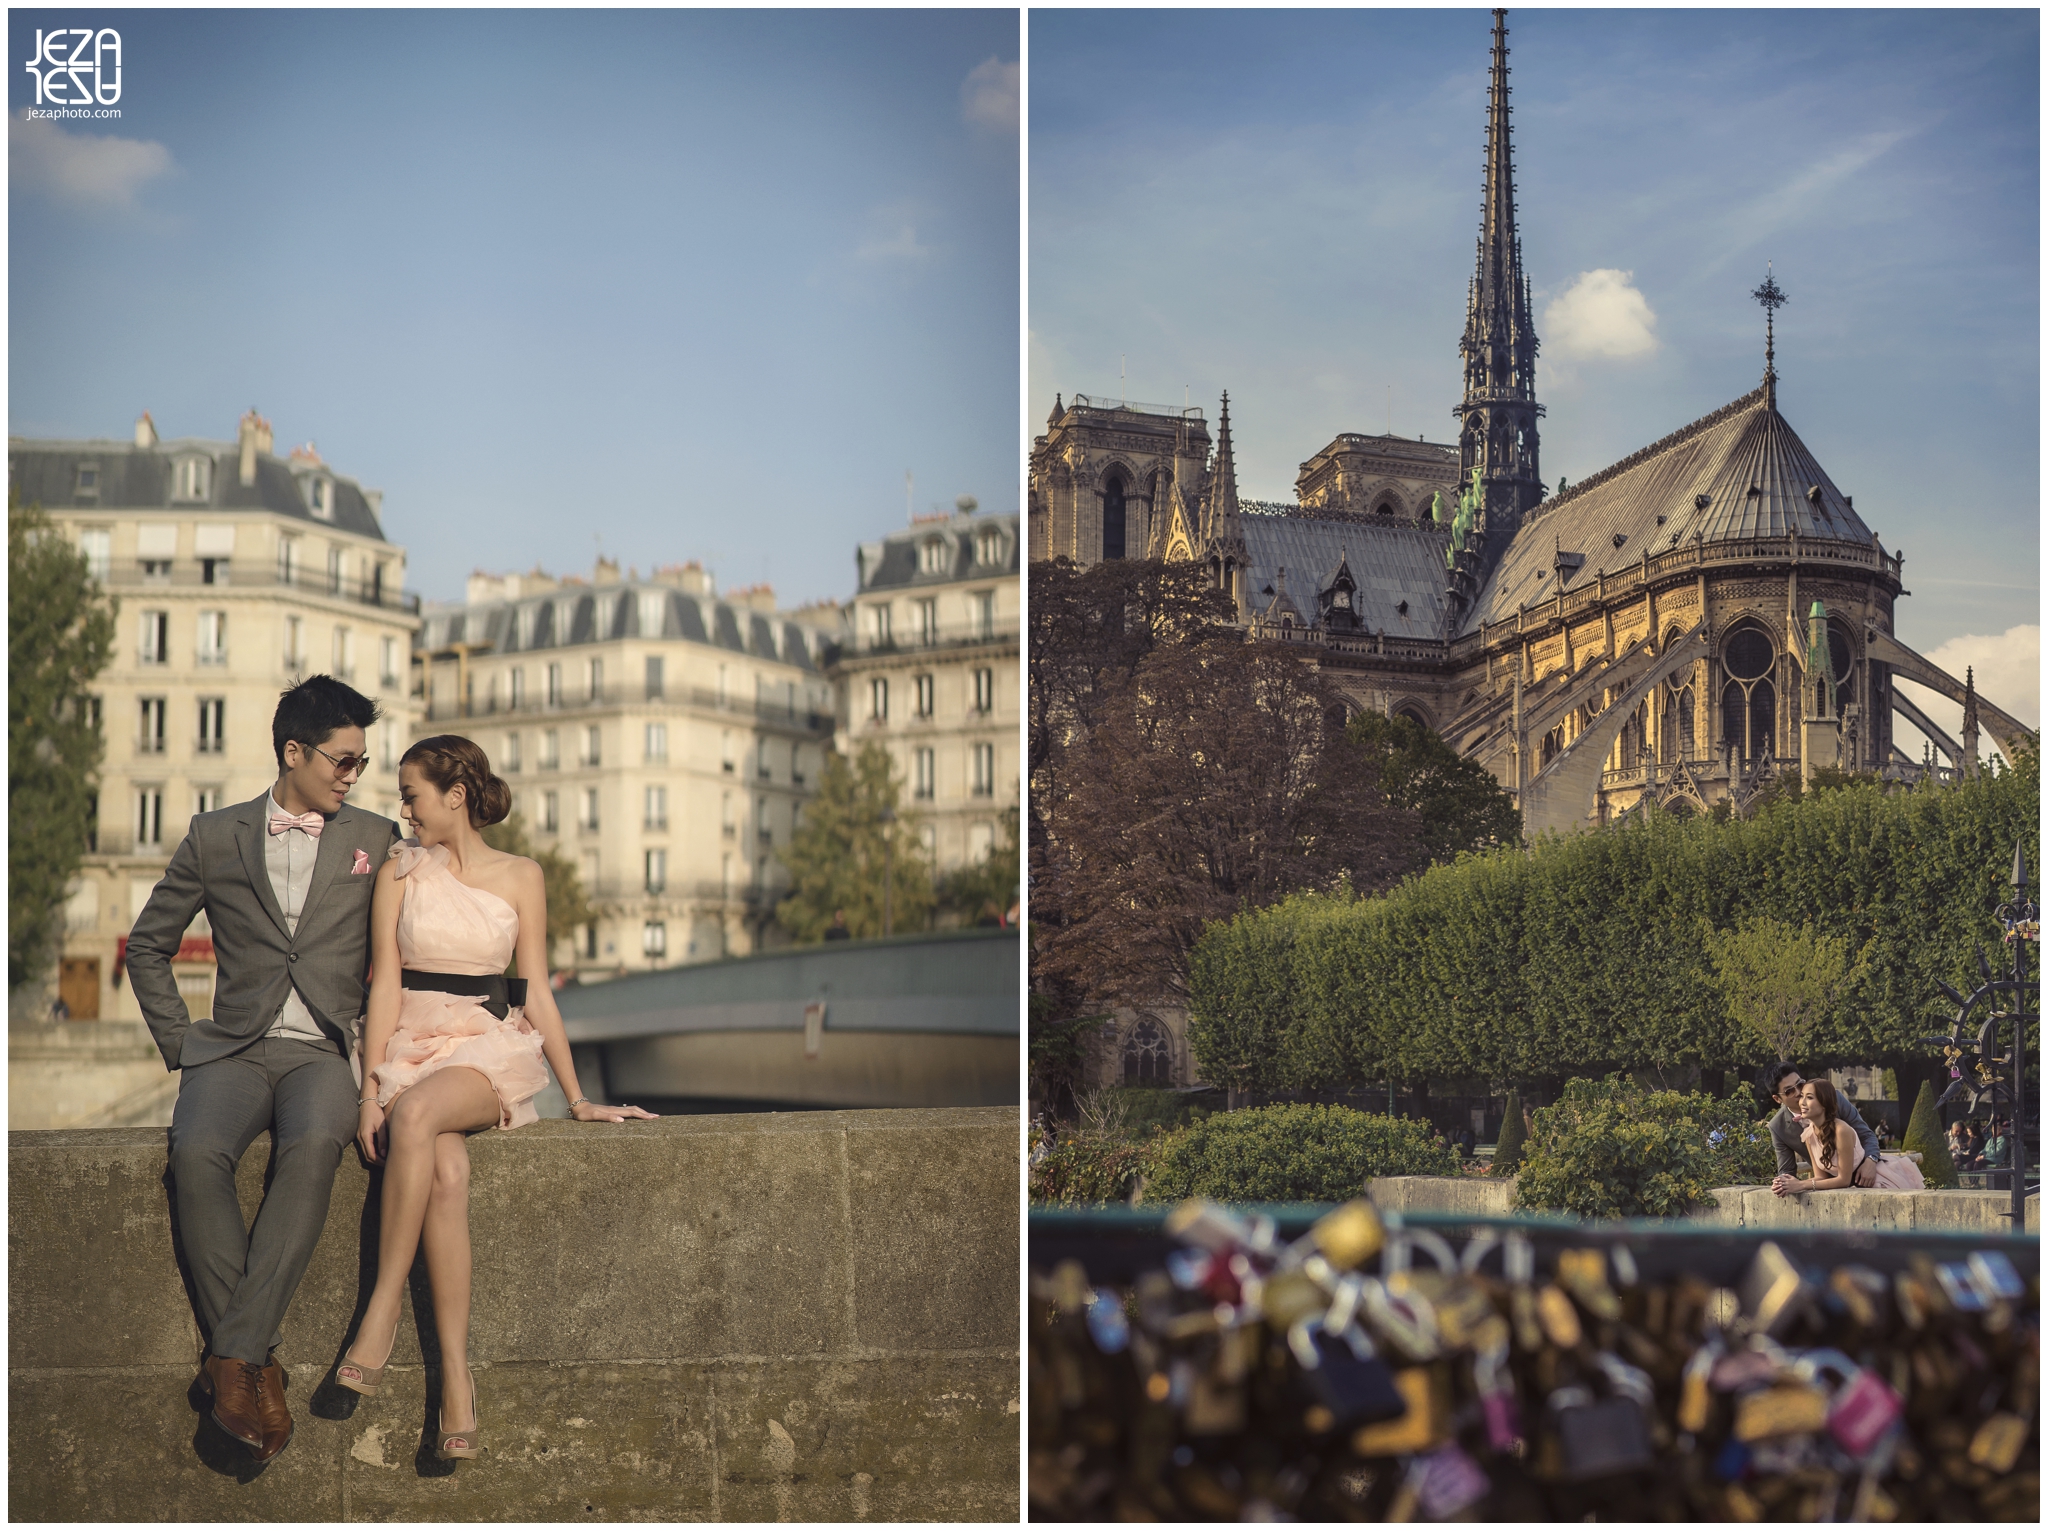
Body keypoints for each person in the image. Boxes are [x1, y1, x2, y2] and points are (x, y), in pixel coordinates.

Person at [336, 737, 656, 1463]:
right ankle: (456, 1380)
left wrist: (578, 1097)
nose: (403, 809)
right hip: (408, 1045)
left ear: (454, 795)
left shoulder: (522, 876)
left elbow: (536, 988)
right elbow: (383, 982)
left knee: (417, 1116)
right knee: (446, 1174)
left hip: (482, 1047)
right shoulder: (399, 872)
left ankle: (381, 1309)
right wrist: (369, 1090)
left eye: (411, 794)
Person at [128, 675, 398, 1462]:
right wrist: (182, 1042)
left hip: (322, 1050)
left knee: (315, 1146)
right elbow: (149, 944)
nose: (353, 774)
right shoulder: (216, 835)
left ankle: (233, 1356)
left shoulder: (377, 839)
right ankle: (255, 1357)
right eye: (343, 761)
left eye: (362, 762)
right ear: (294, 752)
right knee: (195, 1155)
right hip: (233, 1046)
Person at [1776, 1078, 1925, 1195]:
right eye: (1802, 1096)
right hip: (1853, 1190)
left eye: (1809, 1097)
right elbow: (1820, 1177)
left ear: (1824, 1104)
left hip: (1877, 1182)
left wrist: (1801, 1184)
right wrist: (1787, 1183)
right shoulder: (1808, 1134)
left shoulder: (1842, 1130)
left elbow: (1844, 1180)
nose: (1802, 1102)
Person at [1764, 1063, 1881, 1196]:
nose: (1798, 1093)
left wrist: (1871, 1160)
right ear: (1777, 1099)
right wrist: (1781, 1183)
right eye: (1789, 1091)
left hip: (1872, 1179)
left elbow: (1866, 1134)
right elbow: (1787, 1170)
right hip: (1830, 1189)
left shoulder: (1832, 1098)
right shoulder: (1778, 1126)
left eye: (1800, 1085)